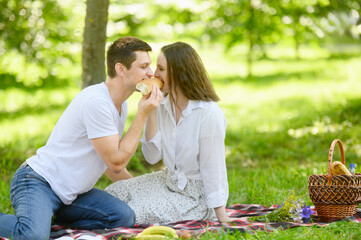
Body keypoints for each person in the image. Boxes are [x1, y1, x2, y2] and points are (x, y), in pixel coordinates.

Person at [0, 36, 163, 240]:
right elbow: (115, 162)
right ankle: (37, 223)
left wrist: (140, 190)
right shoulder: (96, 102)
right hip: (38, 182)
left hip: (71, 196)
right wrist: (142, 115)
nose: (151, 72)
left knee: (123, 216)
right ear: (121, 69)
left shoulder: (120, 106)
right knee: (32, 236)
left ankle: (46, 218)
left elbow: (109, 163)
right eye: (144, 66)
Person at [105, 41, 233, 225]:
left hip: (195, 198)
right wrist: (151, 111)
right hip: (168, 181)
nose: (154, 74)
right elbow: (152, 157)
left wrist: (221, 216)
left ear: (179, 73)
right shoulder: (164, 105)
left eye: (161, 68)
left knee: (128, 212)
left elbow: (214, 168)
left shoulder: (208, 113)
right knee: (115, 192)